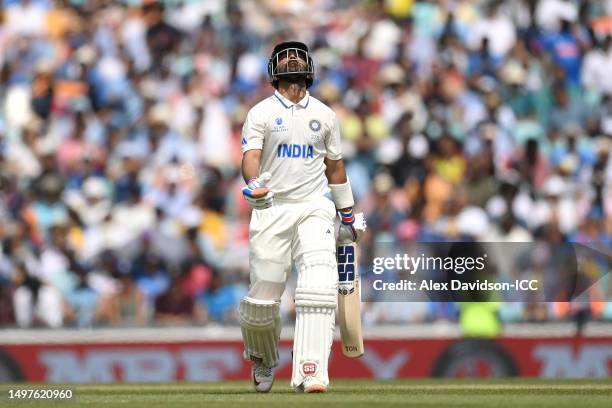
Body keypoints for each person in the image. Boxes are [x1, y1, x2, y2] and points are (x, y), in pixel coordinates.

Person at [239, 41, 364, 393]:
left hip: (314, 206)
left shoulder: (325, 115)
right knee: (262, 302)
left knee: (318, 285)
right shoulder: (260, 113)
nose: (293, 58)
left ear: (309, 66)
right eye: (286, 55)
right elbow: (251, 156)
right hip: (272, 207)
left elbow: (335, 167)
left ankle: (311, 370)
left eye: (298, 54)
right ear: (274, 69)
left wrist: (348, 214)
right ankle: (262, 360)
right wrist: (253, 183)